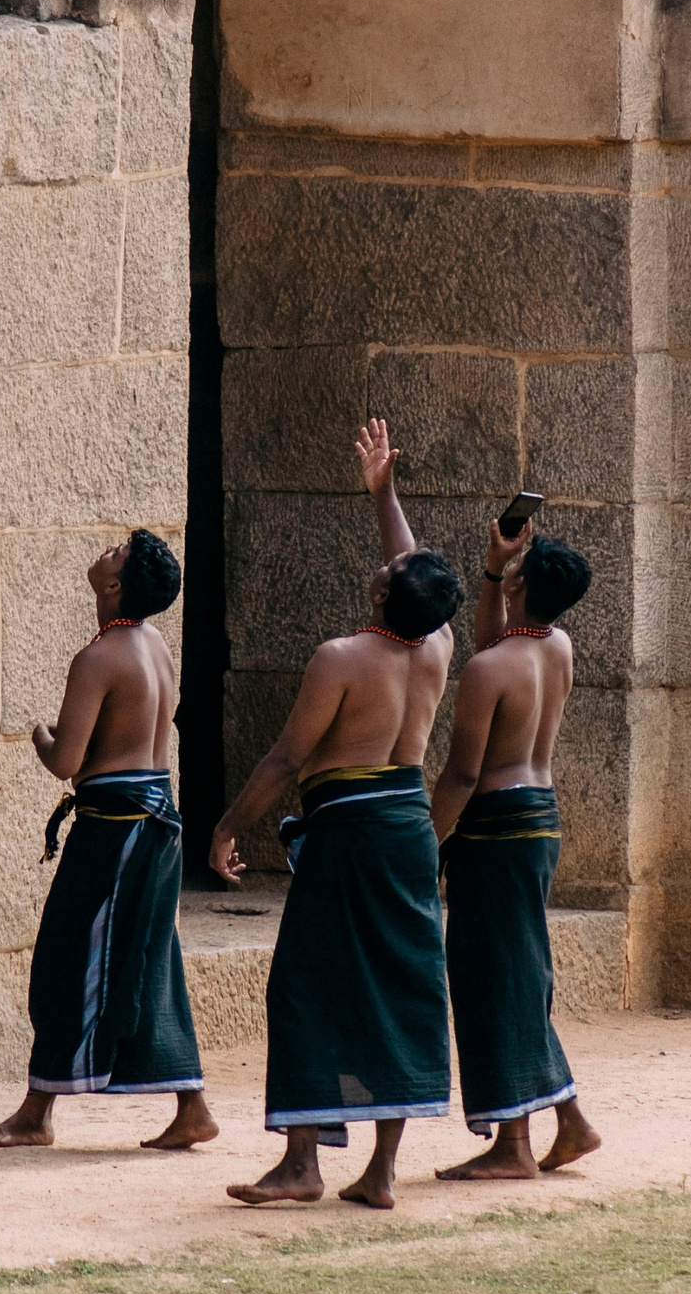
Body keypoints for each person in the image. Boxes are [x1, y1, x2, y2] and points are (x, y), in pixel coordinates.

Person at [210, 420, 463, 1209]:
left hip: (347, 837)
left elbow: (286, 761)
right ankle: (381, 1171)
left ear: (385, 593)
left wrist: (224, 828)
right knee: (400, 986)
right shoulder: (439, 643)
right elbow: (416, 571)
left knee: (305, 986)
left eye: (390, 571)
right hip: (408, 832)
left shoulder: (342, 657)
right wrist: (383, 491)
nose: (386, 567)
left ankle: (301, 1164)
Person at [0, 530, 218, 1152]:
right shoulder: (154, 644)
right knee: (150, 959)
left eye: (116, 553)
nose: (106, 551)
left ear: (114, 586)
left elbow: (67, 761)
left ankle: (35, 1114)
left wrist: (39, 735)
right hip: (154, 823)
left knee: (63, 958)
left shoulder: (99, 656)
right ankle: (192, 1106)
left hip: (115, 831)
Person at [428, 519, 606, 1180]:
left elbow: (463, 774)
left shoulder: (489, 666)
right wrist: (495, 572)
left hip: (494, 827)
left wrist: (426, 840)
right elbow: (492, 650)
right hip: (539, 820)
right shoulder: (555, 645)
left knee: (494, 980)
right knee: (522, 975)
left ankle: (512, 1145)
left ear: (524, 584)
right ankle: (570, 1120)